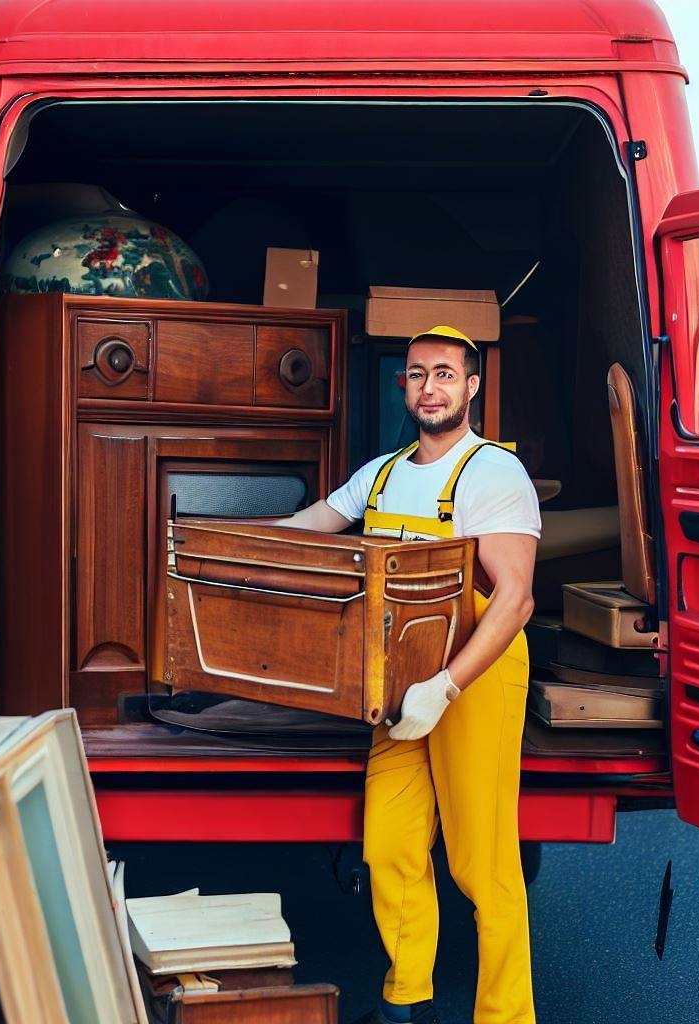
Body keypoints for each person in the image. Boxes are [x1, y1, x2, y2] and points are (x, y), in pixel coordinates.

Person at [275, 325, 541, 1024]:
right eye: (419, 374)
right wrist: (235, 544)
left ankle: (506, 1016)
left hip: (473, 678)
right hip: (397, 680)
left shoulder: (493, 473)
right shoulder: (383, 473)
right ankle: (404, 1002)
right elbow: (312, 525)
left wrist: (447, 686)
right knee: (389, 846)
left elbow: (515, 599)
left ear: (472, 387)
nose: (431, 388)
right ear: (404, 384)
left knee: (481, 866)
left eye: (446, 375)